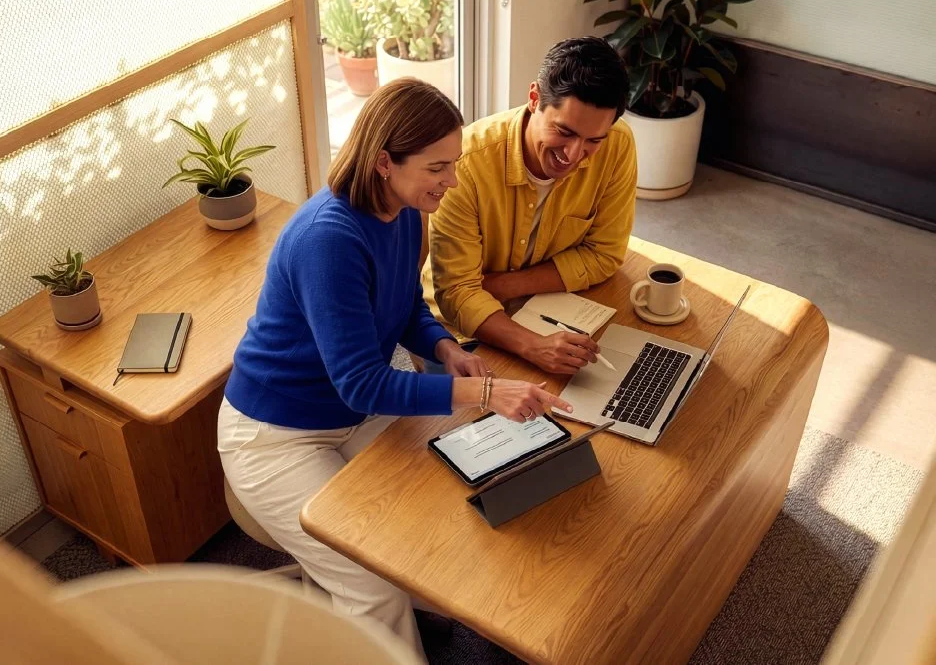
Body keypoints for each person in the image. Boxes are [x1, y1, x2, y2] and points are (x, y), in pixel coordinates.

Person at [217, 78, 572, 656]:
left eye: (453, 164)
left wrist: (445, 348)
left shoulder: (406, 211)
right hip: (275, 436)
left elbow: (405, 305)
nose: (451, 181)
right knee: (372, 582)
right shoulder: (327, 241)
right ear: (385, 162)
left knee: (430, 516)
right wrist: (485, 395)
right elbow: (362, 384)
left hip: (350, 417)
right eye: (437, 167)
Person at [425, 37, 636, 375]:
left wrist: (508, 285)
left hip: (550, 304)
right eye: (564, 131)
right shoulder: (465, 163)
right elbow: (459, 293)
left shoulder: (618, 144)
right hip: (459, 331)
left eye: (593, 140)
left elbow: (605, 254)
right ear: (534, 98)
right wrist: (534, 346)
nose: (573, 154)